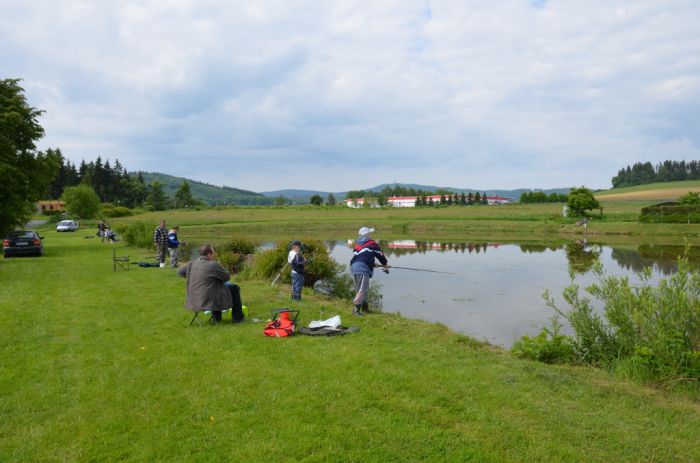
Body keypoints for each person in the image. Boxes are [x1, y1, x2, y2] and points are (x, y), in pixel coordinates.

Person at [178, 244, 244, 323]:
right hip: (207, 299)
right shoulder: (213, 264)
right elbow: (227, 277)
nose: (214, 254)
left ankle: (217, 318)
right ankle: (237, 317)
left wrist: (193, 276)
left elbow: (180, 271)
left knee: (215, 287)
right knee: (234, 288)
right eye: (213, 253)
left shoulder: (192, 263)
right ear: (209, 254)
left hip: (193, 298)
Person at [350, 226, 388, 316]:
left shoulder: (357, 244)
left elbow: (360, 256)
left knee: (363, 289)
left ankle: (365, 308)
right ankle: (356, 310)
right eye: (370, 233)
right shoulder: (372, 243)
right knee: (362, 289)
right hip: (362, 268)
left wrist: (371, 264)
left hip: (355, 267)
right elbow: (380, 254)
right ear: (367, 235)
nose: (371, 234)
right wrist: (385, 264)